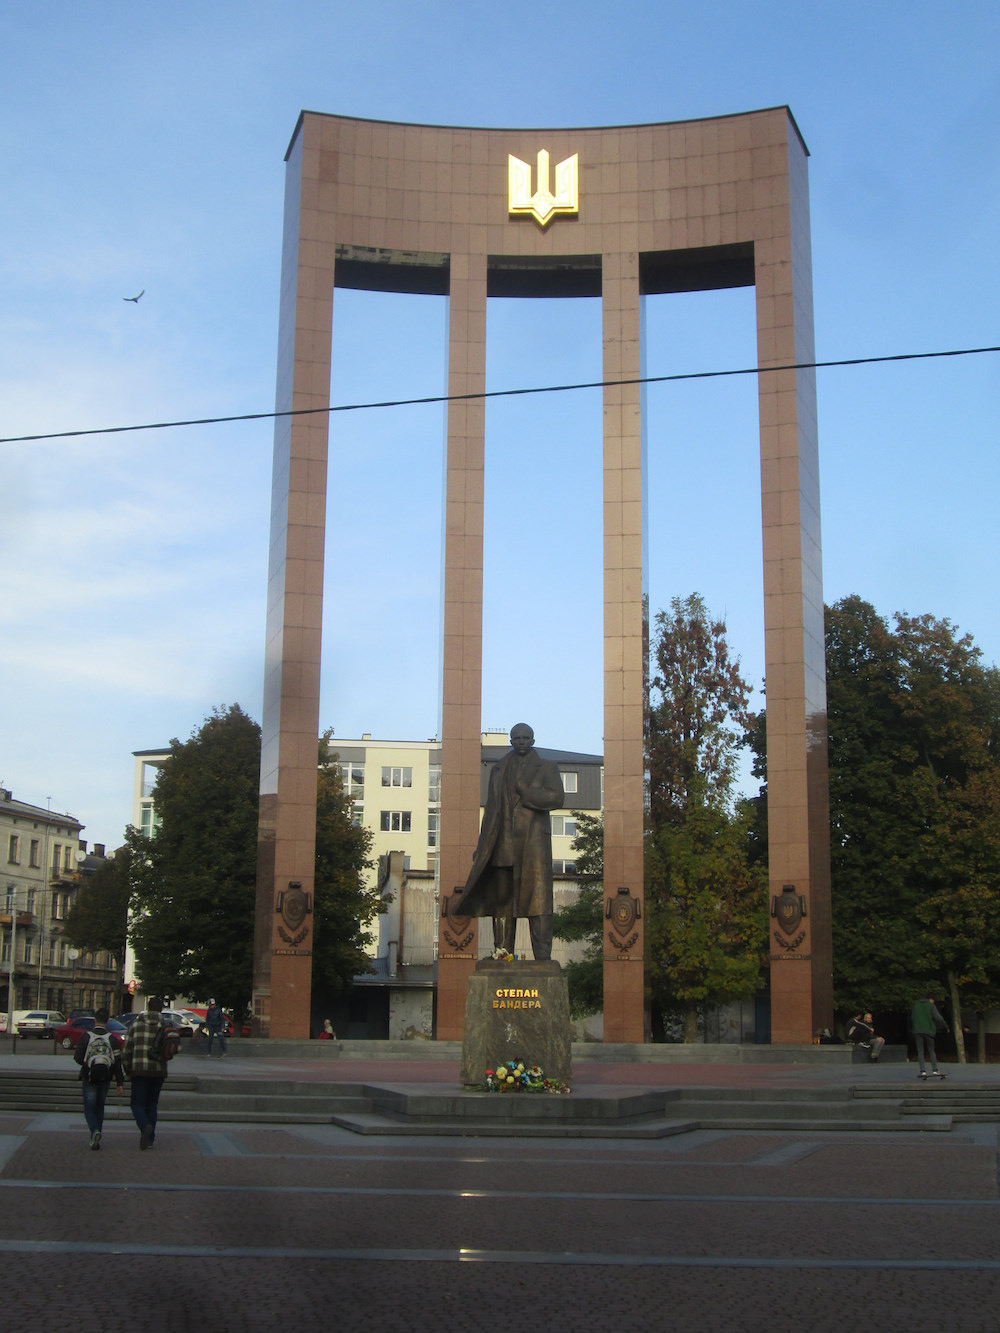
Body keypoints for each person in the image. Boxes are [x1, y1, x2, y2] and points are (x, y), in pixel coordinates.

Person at [453, 723, 564, 960]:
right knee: (502, 902)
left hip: (533, 846)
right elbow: (491, 810)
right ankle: (502, 954)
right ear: (511, 741)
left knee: (539, 902)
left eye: (526, 738)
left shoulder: (547, 767)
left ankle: (543, 958)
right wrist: (483, 845)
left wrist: (526, 793)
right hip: (501, 843)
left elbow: (557, 798)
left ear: (532, 741)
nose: (521, 741)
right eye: (517, 738)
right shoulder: (499, 768)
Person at [73, 1007, 124, 1150]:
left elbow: (77, 1058)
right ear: (107, 1021)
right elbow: (117, 1062)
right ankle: (97, 1135)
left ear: (95, 1020)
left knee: (89, 1108)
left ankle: (94, 1131)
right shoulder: (112, 1039)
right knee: (100, 1107)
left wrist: (87, 1063)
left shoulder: (86, 1037)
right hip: (106, 1077)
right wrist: (120, 1082)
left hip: (89, 1076)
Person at [122, 995, 169, 1148]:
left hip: (139, 1070)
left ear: (147, 1008)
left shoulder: (136, 1025)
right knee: (152, 1104)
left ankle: (144, 1127)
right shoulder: (166, 1026)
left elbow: (127, 1050)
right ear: (161, 1009)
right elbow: (174, 1048)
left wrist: (127, 1069)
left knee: (137, 1104)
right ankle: (150, 1138)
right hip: (158, 1071)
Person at [911, 995, 948, 1079]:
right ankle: (935, 1070)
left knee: (920, 1051)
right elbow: (938, 1017)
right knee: (931, 1050)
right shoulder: (930, 1005)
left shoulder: (916, 1005)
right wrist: (945, 1026)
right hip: (928, 1030)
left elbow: (912, 1018)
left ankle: (923, 1071)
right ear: (931, 999)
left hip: (917, 1030)